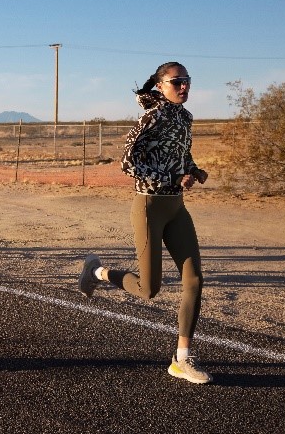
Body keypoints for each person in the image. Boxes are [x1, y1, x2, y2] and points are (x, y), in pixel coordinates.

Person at [78, 62, 212, 384]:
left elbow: (182, 155)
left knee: (194, 280)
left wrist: (193, 170)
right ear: (161, 85)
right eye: (177, 82)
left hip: (177, 209)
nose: (184, 86)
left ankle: (182, 359)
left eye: (187, 81)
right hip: (150, 207)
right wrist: (171, 178)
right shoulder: (151, 117)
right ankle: (97, 272)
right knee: (149, 289)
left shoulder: (185, 117)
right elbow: (127, 163)